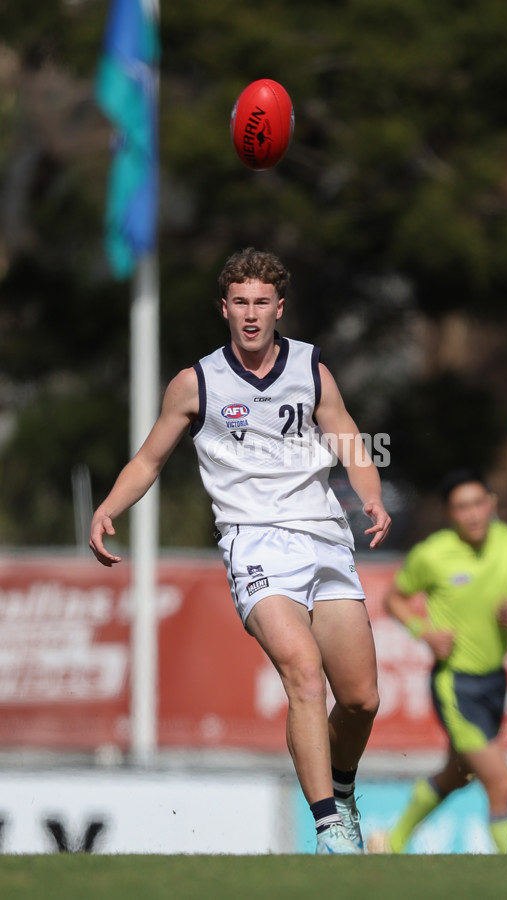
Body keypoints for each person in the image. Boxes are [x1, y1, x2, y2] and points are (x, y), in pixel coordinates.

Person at [89, 247, 391, 855]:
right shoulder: (195, 382)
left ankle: (342, 785)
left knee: (360, 699)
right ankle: (331, 826)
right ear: (223, 308)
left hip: (326, 537)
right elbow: (149, 458)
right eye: (240, 303)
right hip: (254, 544)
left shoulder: (311, 369)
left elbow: (352, 439)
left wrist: (372, 498)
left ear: (279, 307)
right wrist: (108, 508)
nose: (251, 315)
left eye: (261, 303)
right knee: (304, 675)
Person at [367, 467, 507, 855]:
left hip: (496, 679)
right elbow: (394, 599)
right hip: (455, 683)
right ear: (450, 514)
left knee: (458, 773)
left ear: (492, 504)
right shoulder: (432, 554)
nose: (473, 514)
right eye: (462, 507)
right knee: (500, 782)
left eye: (479, 503)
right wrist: (423, 631)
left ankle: (390, 842)